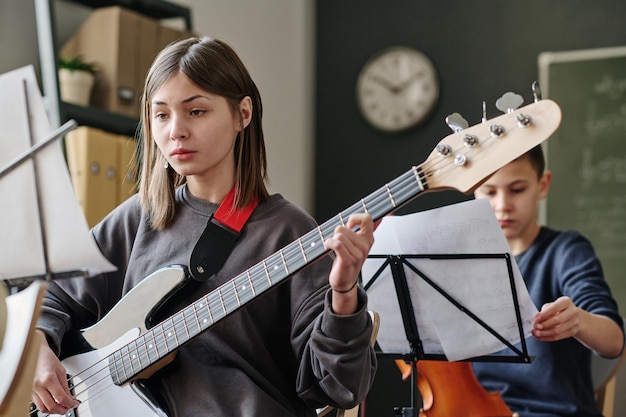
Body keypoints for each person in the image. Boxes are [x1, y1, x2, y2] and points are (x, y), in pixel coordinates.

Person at [32, 36, 377, 417]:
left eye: (196, 111)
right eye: (161, 115)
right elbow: (54, 296)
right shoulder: (140, 217)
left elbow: (340, 387)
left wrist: (343, 294)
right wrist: (38, 347)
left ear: (242, 114)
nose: (175, 130)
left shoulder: (290, 233)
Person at [472, 144, 624, 417]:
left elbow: (614, 340)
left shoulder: (567, 251)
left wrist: (577, 321)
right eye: (489, 191)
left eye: (517, 190)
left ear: (543, 185)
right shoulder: (462, 263)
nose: (502, 205)